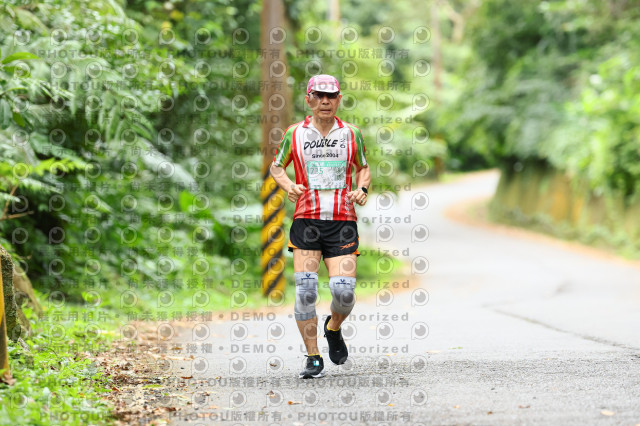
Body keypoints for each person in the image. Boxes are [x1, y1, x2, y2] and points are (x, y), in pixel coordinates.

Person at [270, 74, 371, 379]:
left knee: (344, 293)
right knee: (306, 291)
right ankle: (313, 356)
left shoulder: (352, 133)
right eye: (319, 95)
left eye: (331, 96)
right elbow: (277, 166)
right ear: (309, 99)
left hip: (342, 222)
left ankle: (333, 328)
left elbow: (363, 168)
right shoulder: (294, 133)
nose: (325, 101)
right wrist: (289, 185)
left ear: (339, 100)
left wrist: (361, 189)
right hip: (307, 221)